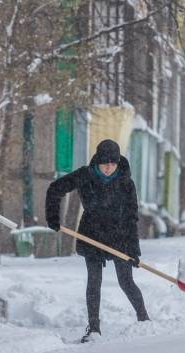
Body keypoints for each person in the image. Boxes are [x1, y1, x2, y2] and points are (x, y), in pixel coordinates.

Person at [45, 138, 149, 342]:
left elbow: (131, 217)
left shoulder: (126, 182)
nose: (109, 167)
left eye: (113, 163)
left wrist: (134, 250)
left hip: (120, 237)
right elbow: (55, 189)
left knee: (126, 281)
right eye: (105, 162)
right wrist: (53, 218)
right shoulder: (86, 175)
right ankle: (93, 328)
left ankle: (144, 320)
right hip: (91, 235)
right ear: (97, 161)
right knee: (94, 282)